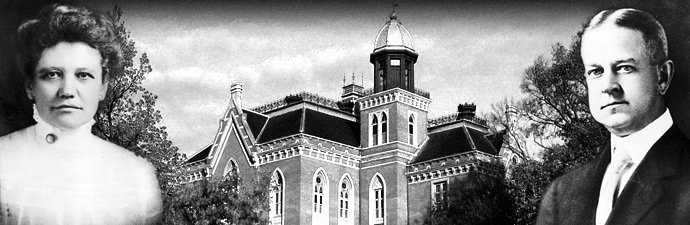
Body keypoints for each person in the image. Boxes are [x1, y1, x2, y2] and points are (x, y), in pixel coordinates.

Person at [0, 4, 162, 225]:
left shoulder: (136, 177)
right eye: (52, 74)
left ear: (103, 86)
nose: (67, 91)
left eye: (83, 75)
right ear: (30, 85)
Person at [536, 8, 690, 225]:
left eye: (625, 68)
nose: (608, 87)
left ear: (662, 76)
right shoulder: (561, 195)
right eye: (596, 72)